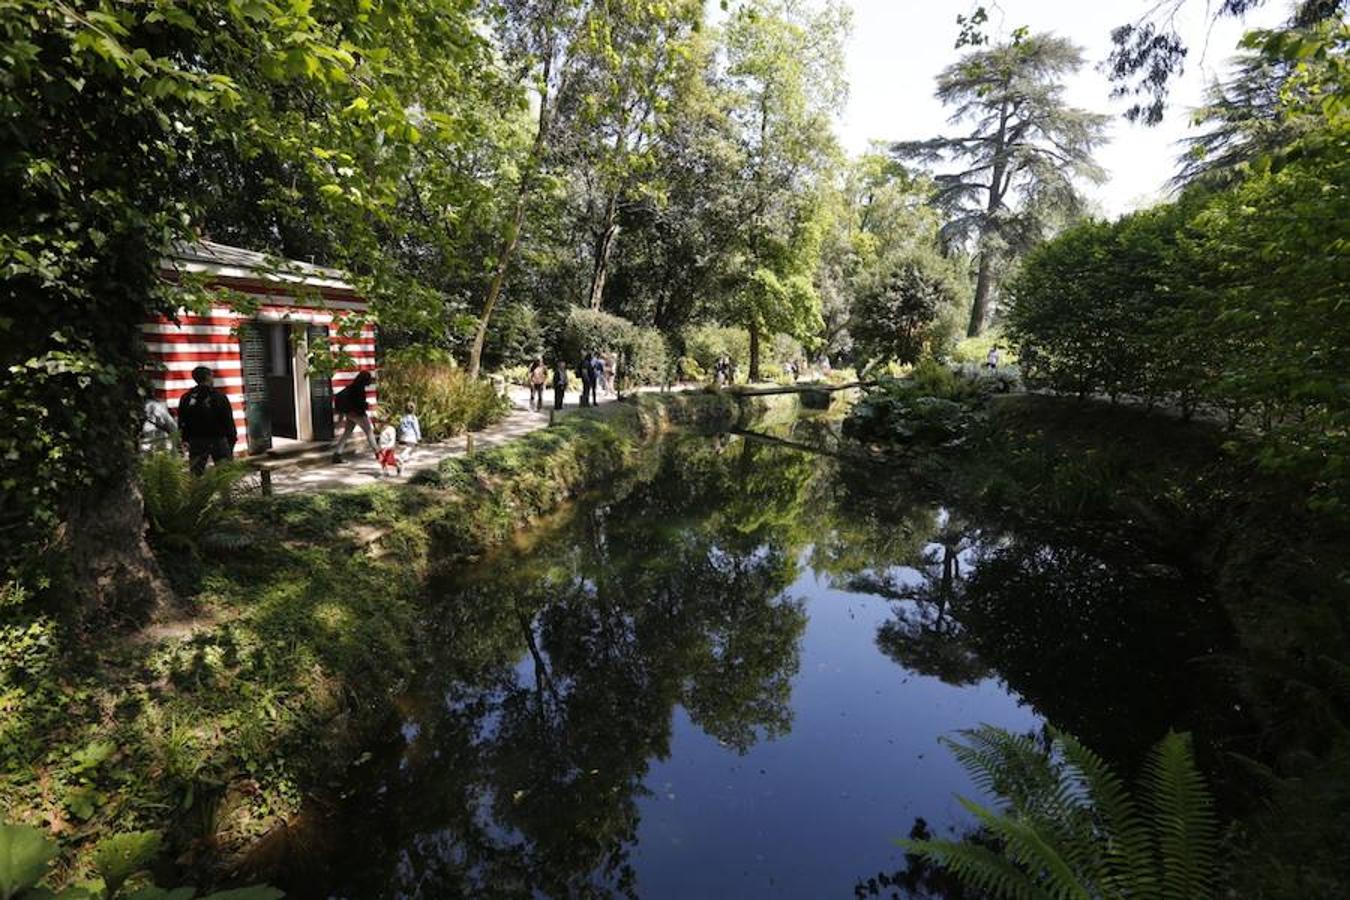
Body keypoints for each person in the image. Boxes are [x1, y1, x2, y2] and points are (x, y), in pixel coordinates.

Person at [177, 366, 237, 475]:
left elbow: (182, 421)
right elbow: (228, 420)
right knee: (225, 475)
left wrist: (185, 438)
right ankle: (226, 492)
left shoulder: (186, 397)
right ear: (209, 377)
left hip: (196, 440)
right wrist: (232, 439)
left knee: (196, 474)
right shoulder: (219, 397)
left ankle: (199, 492)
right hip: (218, 439)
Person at [333, 370, 378, 463]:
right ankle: (378, 452)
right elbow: (359, 404)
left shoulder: (351, 387)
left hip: (349, 413)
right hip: (357, 414)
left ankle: (337, 454)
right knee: (369, 432)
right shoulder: (359, 389)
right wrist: (368, 406)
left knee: (347, 432)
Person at [397, 401, 422, 468]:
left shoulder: (403, 418)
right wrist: (418, 436)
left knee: (410, 447)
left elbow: (400, 427)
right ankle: (401, 456)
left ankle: (406, 458)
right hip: (411, 435)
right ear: (413, 410)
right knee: (410, 447)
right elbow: (416, 427)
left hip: (405, 435)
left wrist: (400, 435)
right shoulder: (413, 418)